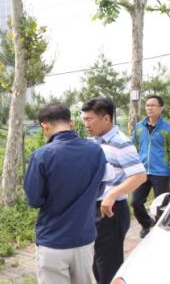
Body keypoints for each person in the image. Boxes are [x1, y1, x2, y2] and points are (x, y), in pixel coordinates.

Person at [23, 103, 108, 284]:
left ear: (44, 125)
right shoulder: (96, 151)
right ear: (70, 122)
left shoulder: (41, 155)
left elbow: (34, 199)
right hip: (84, 239)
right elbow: (99, 189)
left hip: (53, 240)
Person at [81, 97, 146, 284]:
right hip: (93, 209)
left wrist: (112, 194)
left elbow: (139, 176)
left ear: (107, 119)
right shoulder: (94, 141)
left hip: (112, 212)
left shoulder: (121, 143)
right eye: (84, 119)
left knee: (109, 266)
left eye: (90, 119)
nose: (86, 124)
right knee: (95, 262)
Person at [131, 95, 170, 238]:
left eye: (153, 105)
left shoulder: (167, 128)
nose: (150, 108)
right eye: (147, 105)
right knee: (135, 202)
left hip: (162, 172)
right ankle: (147, 223)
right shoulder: (139, 127)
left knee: (161, 205)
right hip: (141, 172)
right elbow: (133, 147)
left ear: (161, 108)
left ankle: (159, 234)